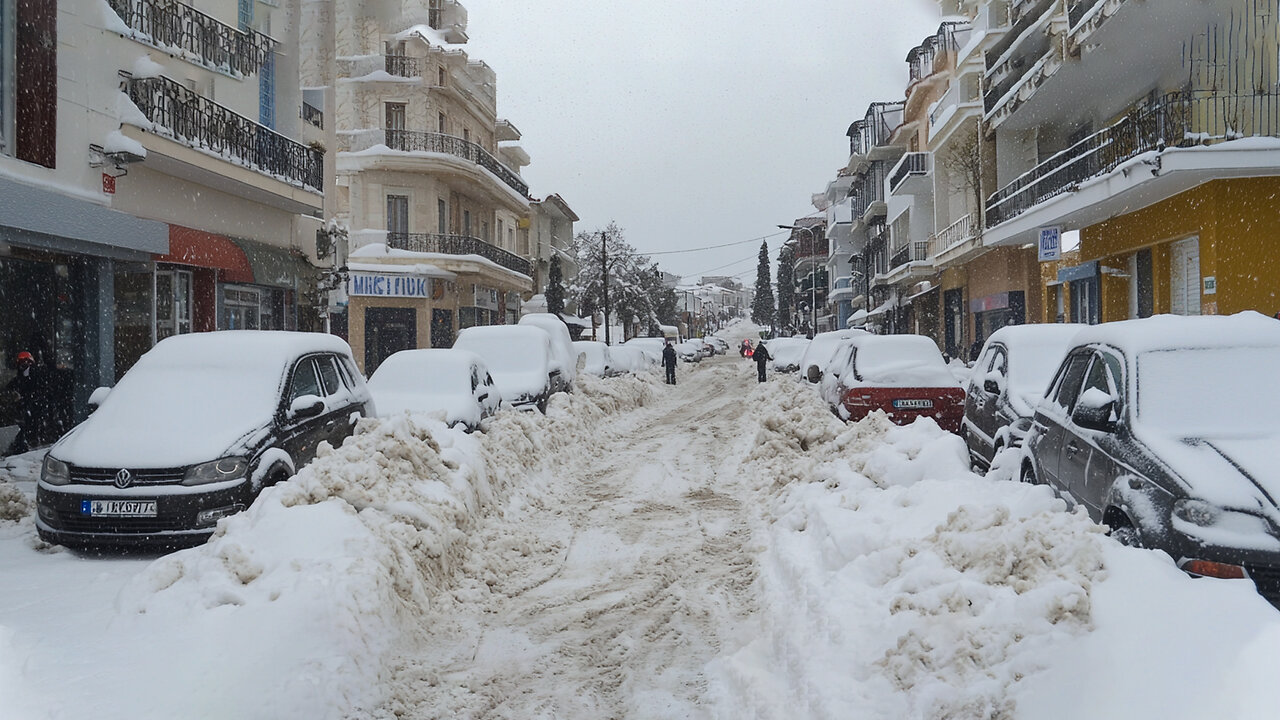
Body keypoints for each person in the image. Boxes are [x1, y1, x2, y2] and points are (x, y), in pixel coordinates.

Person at [4, 351, 41, 455]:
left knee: (29, 425)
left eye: (26, 361)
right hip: (23, 407)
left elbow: (36, 390)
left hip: (32, 407)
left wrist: (25, 398)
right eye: (21, 362)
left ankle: (25, 444)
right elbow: (12, 385)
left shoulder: (36, 375)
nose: (23, 364)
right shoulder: (20, 377)